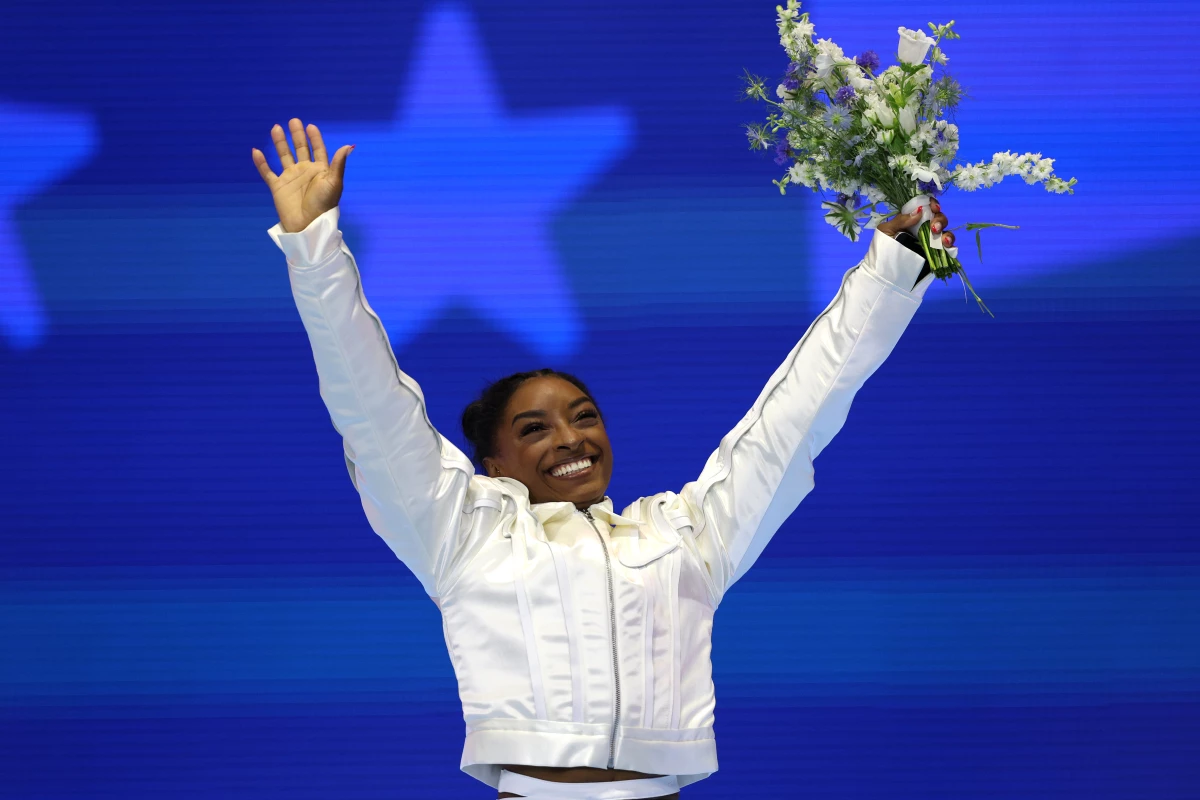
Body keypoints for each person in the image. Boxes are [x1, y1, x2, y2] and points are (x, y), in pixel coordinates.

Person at [252, 118, 950, 800]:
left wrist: (892, 270)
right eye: (534, 428)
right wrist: (313, 247)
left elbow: (796, 415)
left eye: (584, 416)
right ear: (493, 463)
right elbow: (370, 406)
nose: (570, 438)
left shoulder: (683, 535)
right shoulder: (463, 536)